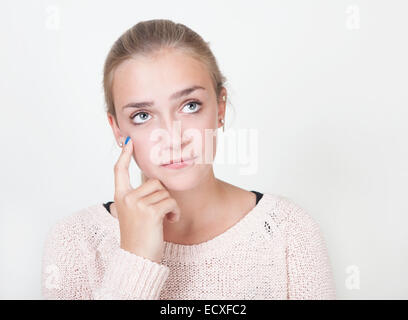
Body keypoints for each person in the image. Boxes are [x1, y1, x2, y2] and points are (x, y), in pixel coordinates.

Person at [41, 19, 336, 300]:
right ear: (117, 128)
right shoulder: (76, 242)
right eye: (142, 116)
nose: (173, 137)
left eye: (190, 105)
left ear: (220, 107)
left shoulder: (288, 231)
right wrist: (135, 259)